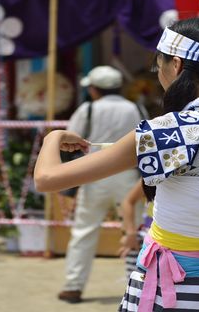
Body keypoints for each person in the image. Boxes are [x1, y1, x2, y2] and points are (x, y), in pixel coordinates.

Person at [35, 17, 199, 311]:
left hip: (170, 289)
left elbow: (47, 179)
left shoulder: (167, 133)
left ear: (177, 65)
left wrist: (52, 139)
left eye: (160, 65)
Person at [57, 65, 146, 303]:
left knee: (84, 231)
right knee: (133, 231)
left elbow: (68, 142)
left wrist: (69, 187)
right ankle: (137, 287)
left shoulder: (87, 109)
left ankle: (73, 286)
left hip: (93, 174)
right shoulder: (134, 108)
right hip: (127, 175)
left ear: (94, 90)